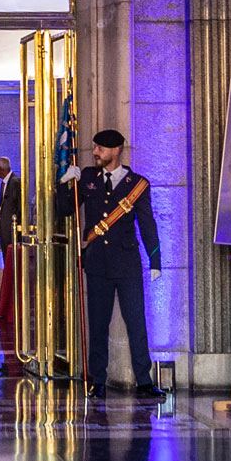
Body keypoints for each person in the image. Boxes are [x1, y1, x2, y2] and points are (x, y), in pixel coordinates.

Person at [57, 129, 164, 400]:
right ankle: (99, 380)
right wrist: (63, 183)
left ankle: (144, 380)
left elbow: (148, 223)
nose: (95, 153)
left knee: (136, 323)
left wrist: (155, 260)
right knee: (98, 324)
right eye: (95, 148)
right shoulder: (89, 179)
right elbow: (64, 209)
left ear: (116, 150)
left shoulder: (137, 184)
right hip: (98, 264)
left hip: (127, 264)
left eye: (101, 149)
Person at [0, 157, 22, 323]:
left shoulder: (15, 182)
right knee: (6, 264)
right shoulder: (5, 182)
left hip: (12, 232)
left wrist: (15, 227)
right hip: (3, 230)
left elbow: (18, 206)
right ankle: (5, 302)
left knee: (12, 266)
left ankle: (11, 303)